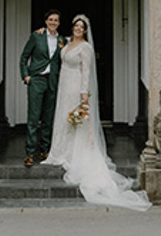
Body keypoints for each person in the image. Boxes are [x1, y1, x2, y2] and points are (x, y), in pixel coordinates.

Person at [45, 13, 150, 209]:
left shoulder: (86, 48)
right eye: (75, 26)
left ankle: (74, 153)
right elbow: (54, 39)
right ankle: (60, 151)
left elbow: (86, 72)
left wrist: (84, 96)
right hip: (63, 86)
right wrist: (43, 30)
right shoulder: (66, 43)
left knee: (76, 121)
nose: (77, 29)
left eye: (81, 27)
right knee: (62, 118)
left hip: (76, 86)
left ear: (85, 30)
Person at [20, 9, 64, 167]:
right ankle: (30, 152)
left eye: (56, 20)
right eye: (51, 19)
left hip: (52, 82)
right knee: (33, 118)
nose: (53, 22)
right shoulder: (36, 36)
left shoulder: (62, 40)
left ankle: (45, 150)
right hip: (37, 80)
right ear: (46, 21)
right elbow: (24, 57)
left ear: (59, 23)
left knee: (48, 118)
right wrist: (26, 76)